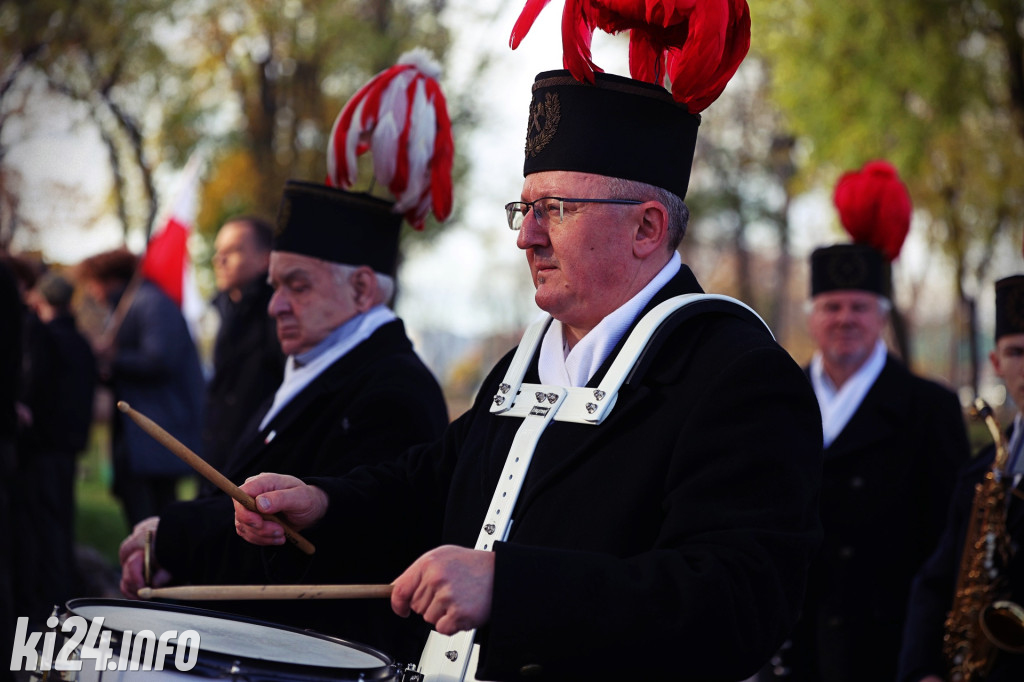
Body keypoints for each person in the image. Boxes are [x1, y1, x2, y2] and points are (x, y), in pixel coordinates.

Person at [233, 66, 824, 680]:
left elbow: (739, 601)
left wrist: (509, 587)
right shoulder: (527, 360)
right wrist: (323, 503)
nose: (528, 237)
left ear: (646, 227)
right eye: (526, 208)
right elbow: (433, 484)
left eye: (556, 209)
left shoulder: (737, 375)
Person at [116, 182, 450, 658]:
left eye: (297, 285)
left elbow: (320, 540)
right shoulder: (319, 361)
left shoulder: (393, 390)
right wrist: (178, 554)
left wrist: (176, 535)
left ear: (360, 288)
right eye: (275, 286)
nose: (275, 305)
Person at [762, 243, 970, 682]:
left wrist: (930, 657)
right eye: (831, 306)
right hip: (792, 646)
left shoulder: (930, 409)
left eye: (860, 306)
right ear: (811, 316)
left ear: (881, 316)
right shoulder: (773, 401)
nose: (845, 318)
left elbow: (950, 547)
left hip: (891, 647)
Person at [898, 275, 1024, 682]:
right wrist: (922, 670)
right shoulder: (984, 466)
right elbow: (935, 580)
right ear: (995, 363)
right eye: (1017, 352)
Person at [76, 248, 205, 527]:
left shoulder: (151, 303)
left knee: (155, 516)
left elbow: (158, 359)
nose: (92, 292)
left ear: (110, 279)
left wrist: (112, 357)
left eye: (93, 283)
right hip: (139, 437)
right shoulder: (134, 304)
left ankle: (158, 568)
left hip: (155, 432)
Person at [23, 272, 97, 610]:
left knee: (47, 525)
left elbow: (35, 386)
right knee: (62, 521)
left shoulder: (46, 338)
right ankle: (63, 592)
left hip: (44, 445)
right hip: (70, 444)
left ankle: (52, 602)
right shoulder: (82, 343)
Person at [202, 215, 283, 488]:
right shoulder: (217, 311)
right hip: (216, 453)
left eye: (233, 251)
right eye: (217, 251)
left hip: (259, 459)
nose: (219, 260)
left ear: (265, 259)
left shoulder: (279, 313)